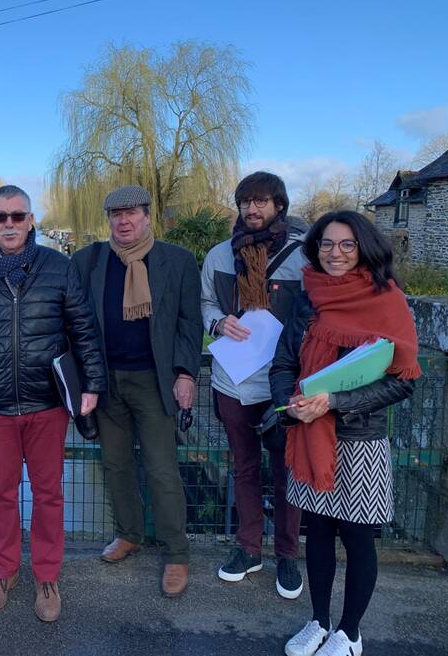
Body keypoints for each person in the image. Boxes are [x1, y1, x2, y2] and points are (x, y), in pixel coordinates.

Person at [0, 184, 106, 622]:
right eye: (0, 217)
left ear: (31, 220)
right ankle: (3, 572)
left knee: (49, 494)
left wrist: (91, 384)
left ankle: (47, 576)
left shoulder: (58, 266)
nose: (9, 224)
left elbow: (83, 327)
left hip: (46, 403)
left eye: (17, 216)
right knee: (1, 494)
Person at [271, 211, 420, 656]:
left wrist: (334, 403)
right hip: (309, 435)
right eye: (327, 245)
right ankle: (318, 621)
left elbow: (402, 380)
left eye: (347, 245)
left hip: (360, 439)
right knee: (316, 533)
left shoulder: (387, 300)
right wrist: (292, 402)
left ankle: (350, 632)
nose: (335, 254)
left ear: (364, 248)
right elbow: (283, 363)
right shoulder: (306, 299)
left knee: (357, 538)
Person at [72, 185, 202, 598]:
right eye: (115, 215)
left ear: (147, 216)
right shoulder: (89, 260)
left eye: (130, 214)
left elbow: (189, 322)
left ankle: (177, 552)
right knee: (116, 464)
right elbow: (71, 318)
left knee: (162, 469)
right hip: (105, 381)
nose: (122, 221)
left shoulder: (176, 261)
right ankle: (129, 533)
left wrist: (186, 373)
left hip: (154, 380)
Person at [200, 171, 307, 597]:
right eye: (246, 201)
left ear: (279, 205)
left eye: (262, 201)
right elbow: (205, 301)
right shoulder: (219, 256)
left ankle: (287, 555)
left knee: (286, 472)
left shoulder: (304, 257)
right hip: (233, 380)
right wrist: (218, 321)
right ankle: (249, 548)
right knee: (243, 468)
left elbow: (318, 310)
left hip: (283, 384)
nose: (253, 209)